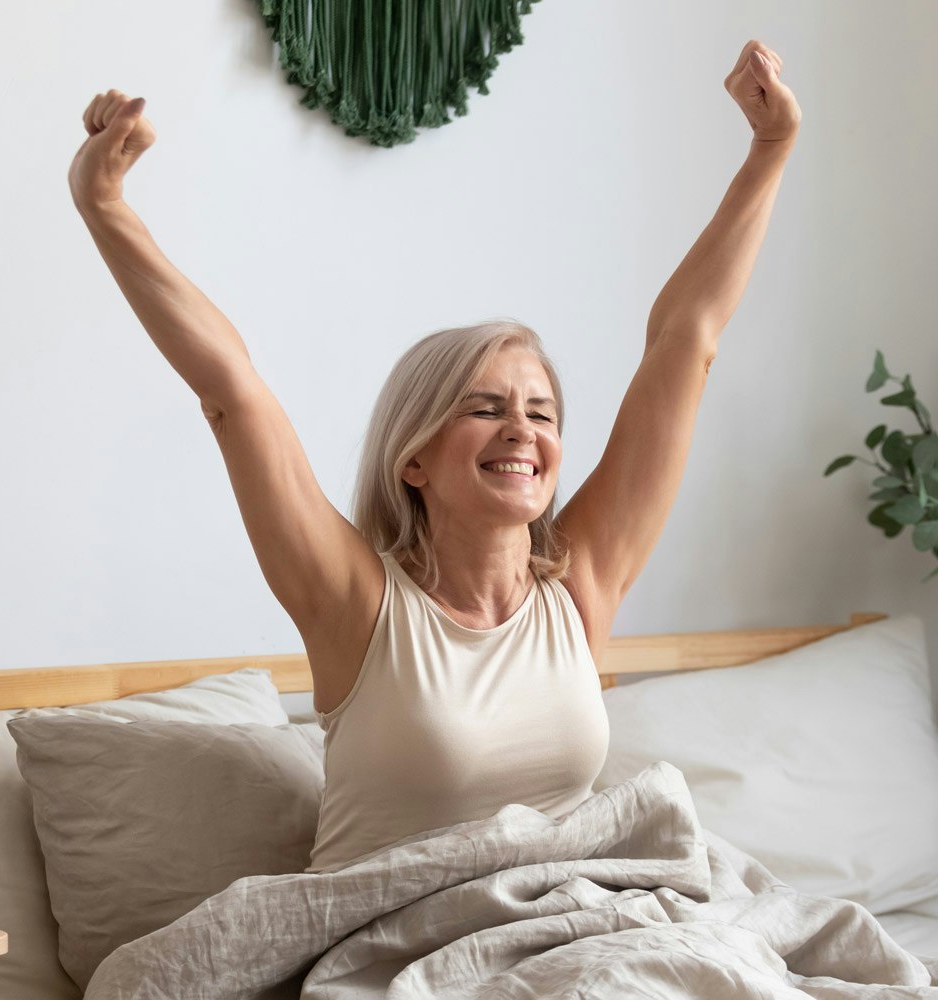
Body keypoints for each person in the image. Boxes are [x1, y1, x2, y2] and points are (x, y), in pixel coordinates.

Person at [68, 40, 801, 873]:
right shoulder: (355, 601)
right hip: (398, 948)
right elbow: (232, 393)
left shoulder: (583, 585)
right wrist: (106, 207)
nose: (522, 430)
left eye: (541, 412)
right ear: (412, 459)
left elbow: (685, 342)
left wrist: (768, 152)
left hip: (571, 927)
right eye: (485, 409)